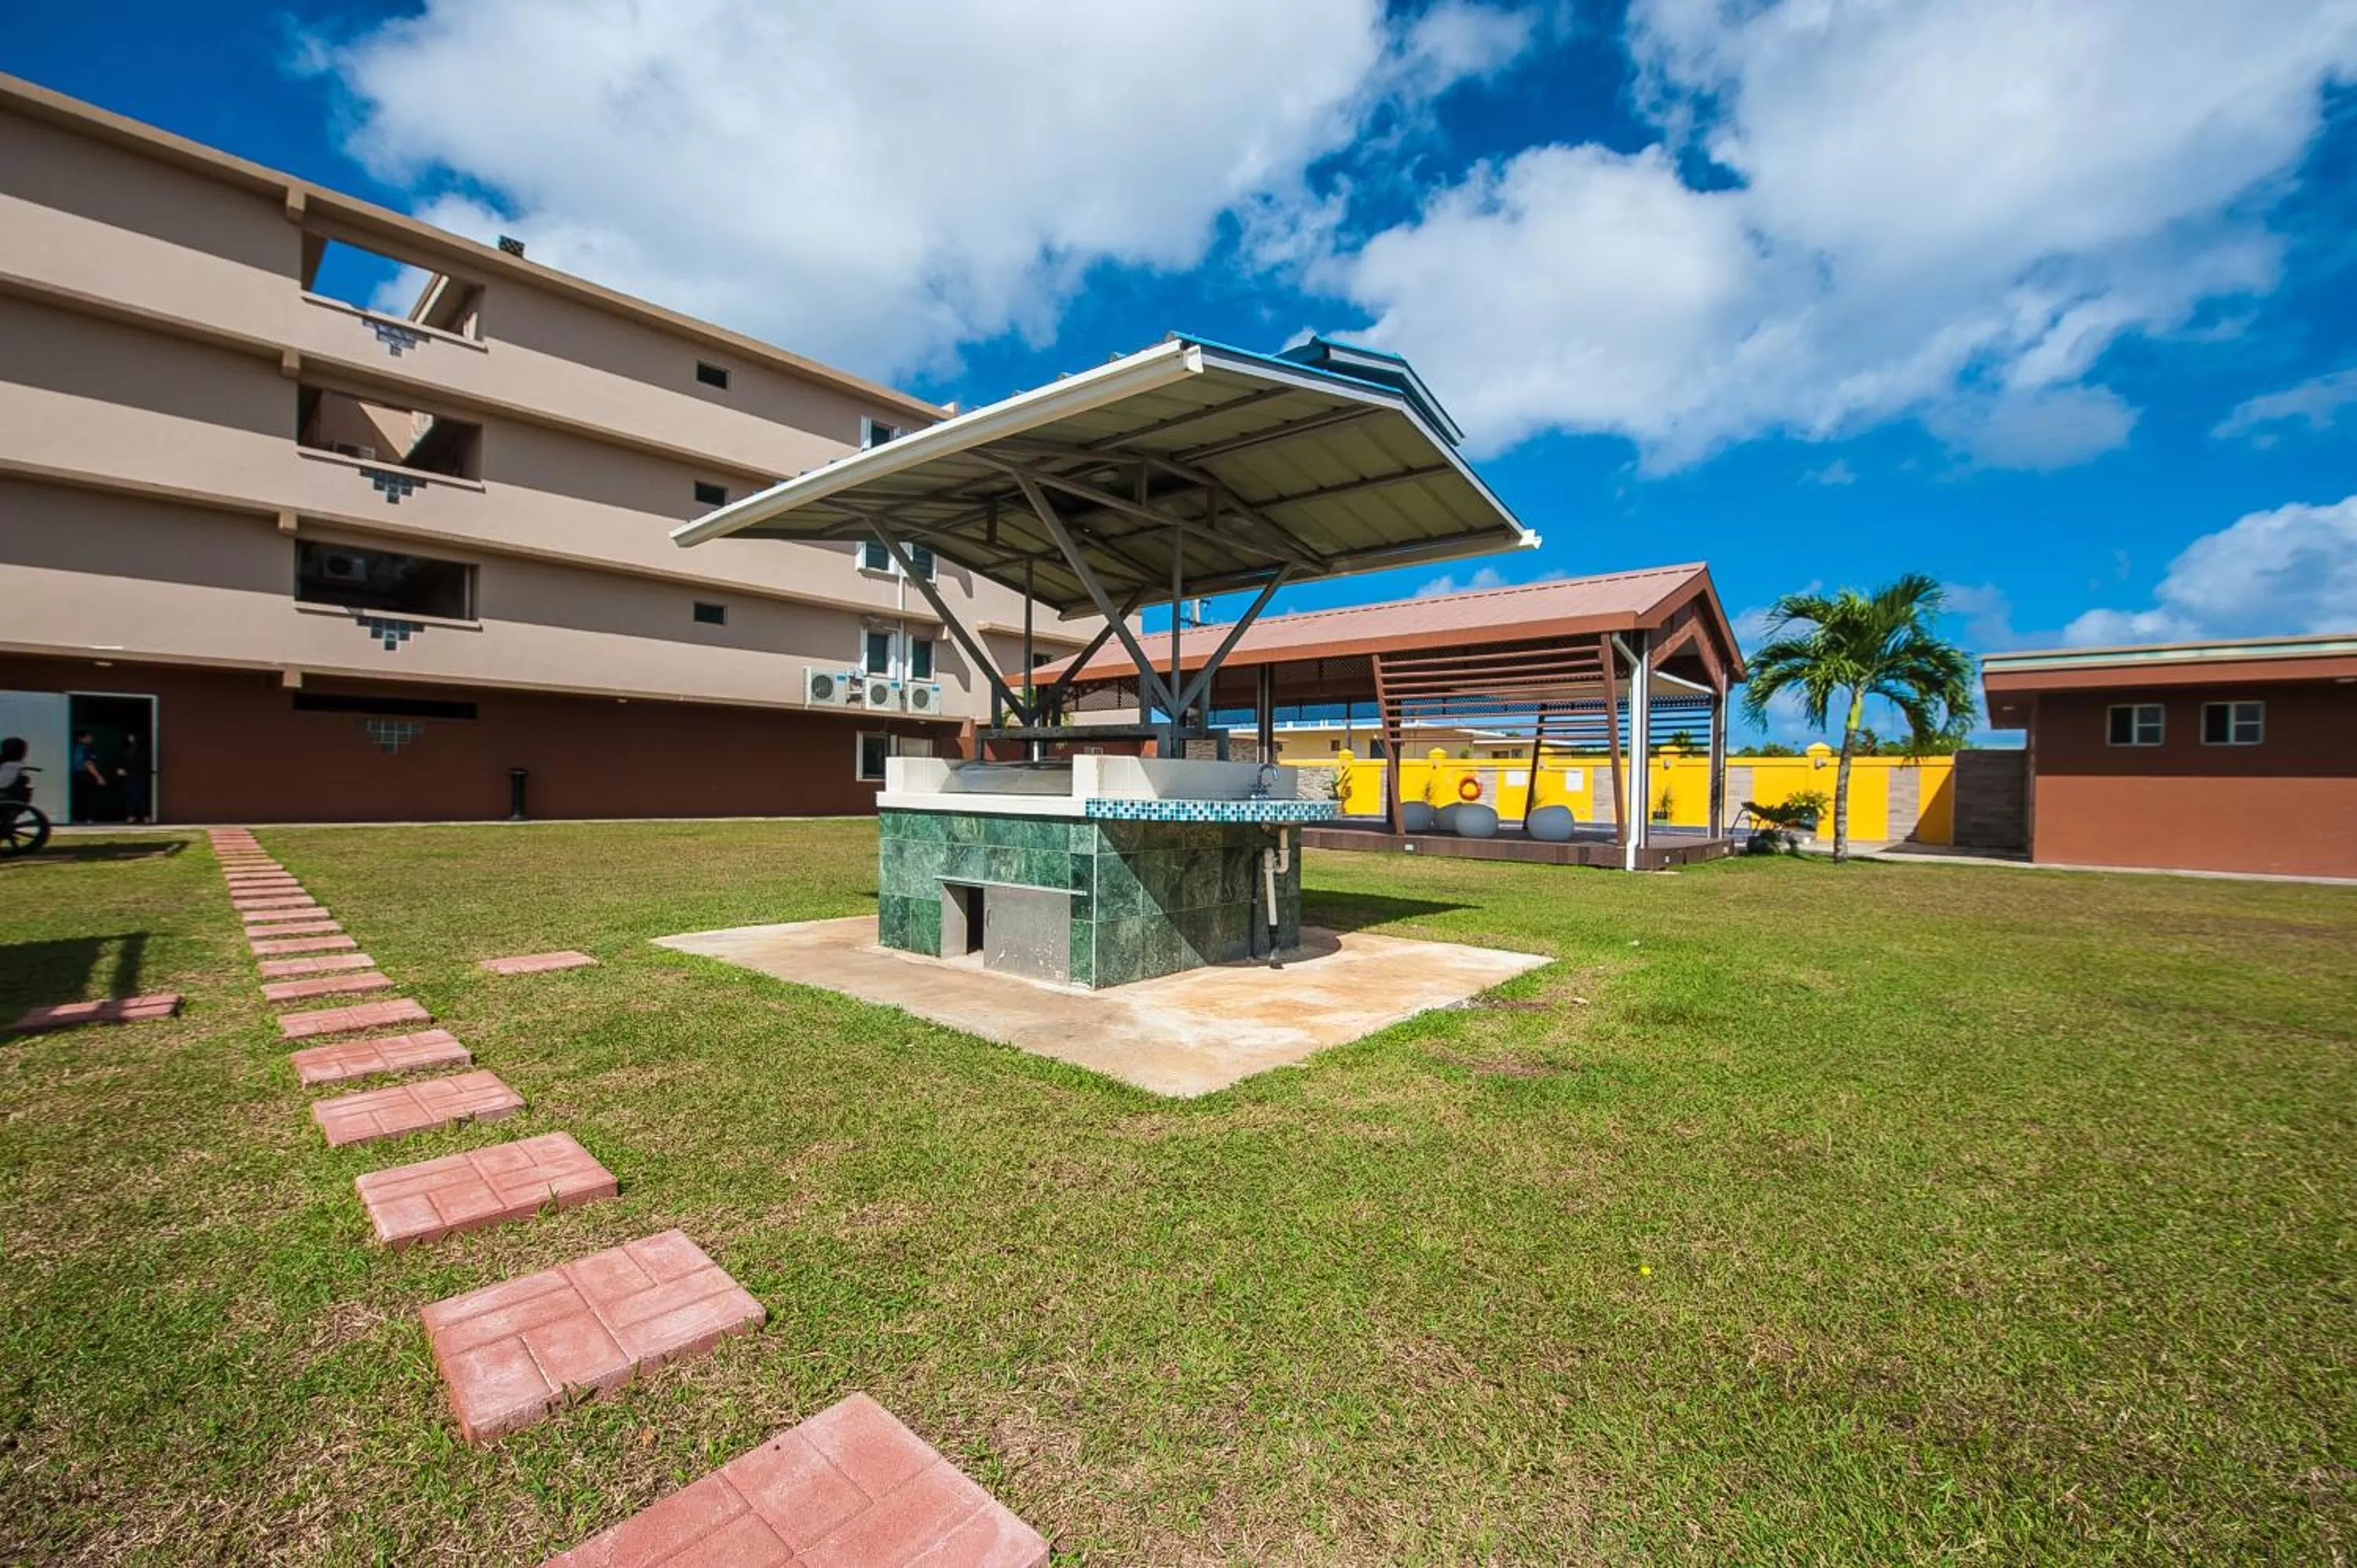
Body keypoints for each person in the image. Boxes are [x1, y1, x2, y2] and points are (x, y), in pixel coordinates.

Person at [72, 730, 109, 821]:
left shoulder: (74, 749)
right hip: (86, 775)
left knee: (79, 797)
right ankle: (89, 818)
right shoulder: (87, 749)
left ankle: (77, 818)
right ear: (81, 739)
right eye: (88, 737)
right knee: (90, 798)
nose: (91, 738)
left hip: (76, 775)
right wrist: (98, 777)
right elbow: (88, 764)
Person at [119, 731, 152, 824]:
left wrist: (127, 772)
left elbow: (142, 764)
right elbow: (124, 761)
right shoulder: (127, 749)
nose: (130, 738)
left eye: (132, 736)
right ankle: (131, 815)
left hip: (138, 776)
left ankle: (145, 816)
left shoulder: (142, 750)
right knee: (130, 796)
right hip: (128, 777)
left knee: (139, 796)